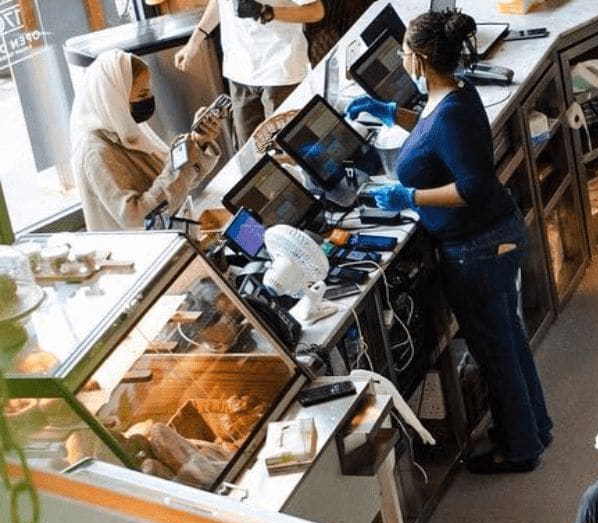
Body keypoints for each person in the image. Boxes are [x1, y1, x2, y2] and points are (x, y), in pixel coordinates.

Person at [346, 10, 552, 474]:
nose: (400, 58)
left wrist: (409, 197)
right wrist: (391, 114)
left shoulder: (450, 114)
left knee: (496, 353)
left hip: (478, 249)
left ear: (418, 59)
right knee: (508, 341)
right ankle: (536, 427)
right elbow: (432, 133)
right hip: (493, 237)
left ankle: (520, 450)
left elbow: (472, 185)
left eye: (403, 52)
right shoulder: (453, 92)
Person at [71, 51, 226, 232]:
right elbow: (137, 218)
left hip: (172, 234)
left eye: (150, 91)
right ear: (115, 98)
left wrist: (197, 142)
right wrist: (183, 164)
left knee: (250, 235)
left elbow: (179, 184)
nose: (149, 99)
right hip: (145, 246)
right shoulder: (96, 152)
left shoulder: (126, 130)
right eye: (142, 94)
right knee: (249, 238)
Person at [174, 0, 323, 147]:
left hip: (281, 70)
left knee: (288, 148)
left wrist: (266, 12)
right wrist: (195, 40)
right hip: (239, 72)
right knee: (248, 152)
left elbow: (316, 11)